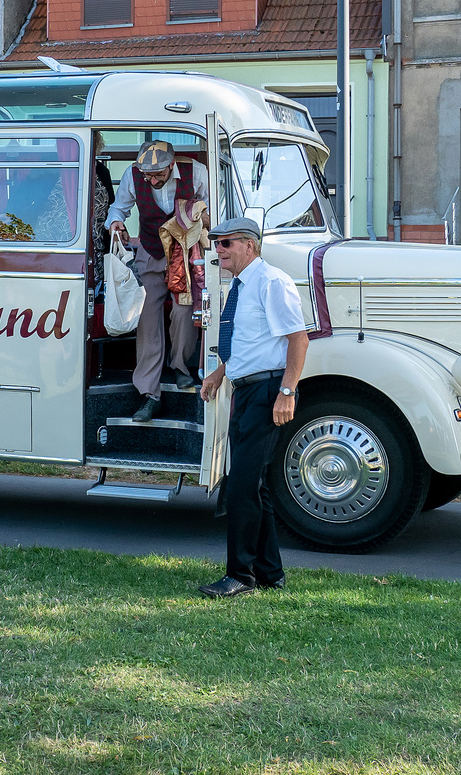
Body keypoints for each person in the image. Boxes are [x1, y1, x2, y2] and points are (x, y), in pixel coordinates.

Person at [197, 217, 309, 598]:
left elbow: (298, 339)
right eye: (216, 243)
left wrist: (287, 391)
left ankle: (240, 576)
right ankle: (270, 572)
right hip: (244, 392)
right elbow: (250, 344)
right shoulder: (242, 286)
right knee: (254, 487)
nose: (219, 249)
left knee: (243, 486)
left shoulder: (272, 282)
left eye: (226, 243)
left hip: (267, 393)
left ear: (250, 245)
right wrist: (218, 374)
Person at [106, 139, 209, 421]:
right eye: (147, 174)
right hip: (150, 251)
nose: (151, 180)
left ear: (172, 165)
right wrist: (116, 223)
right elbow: (119, 208)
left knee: (184, 310)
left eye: (158, 175)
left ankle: (181, 368)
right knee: (148, 319)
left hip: (185, 253)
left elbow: (213, 207)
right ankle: (148, 393)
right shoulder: (133, 174)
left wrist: (203, 217)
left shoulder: (196, 172)